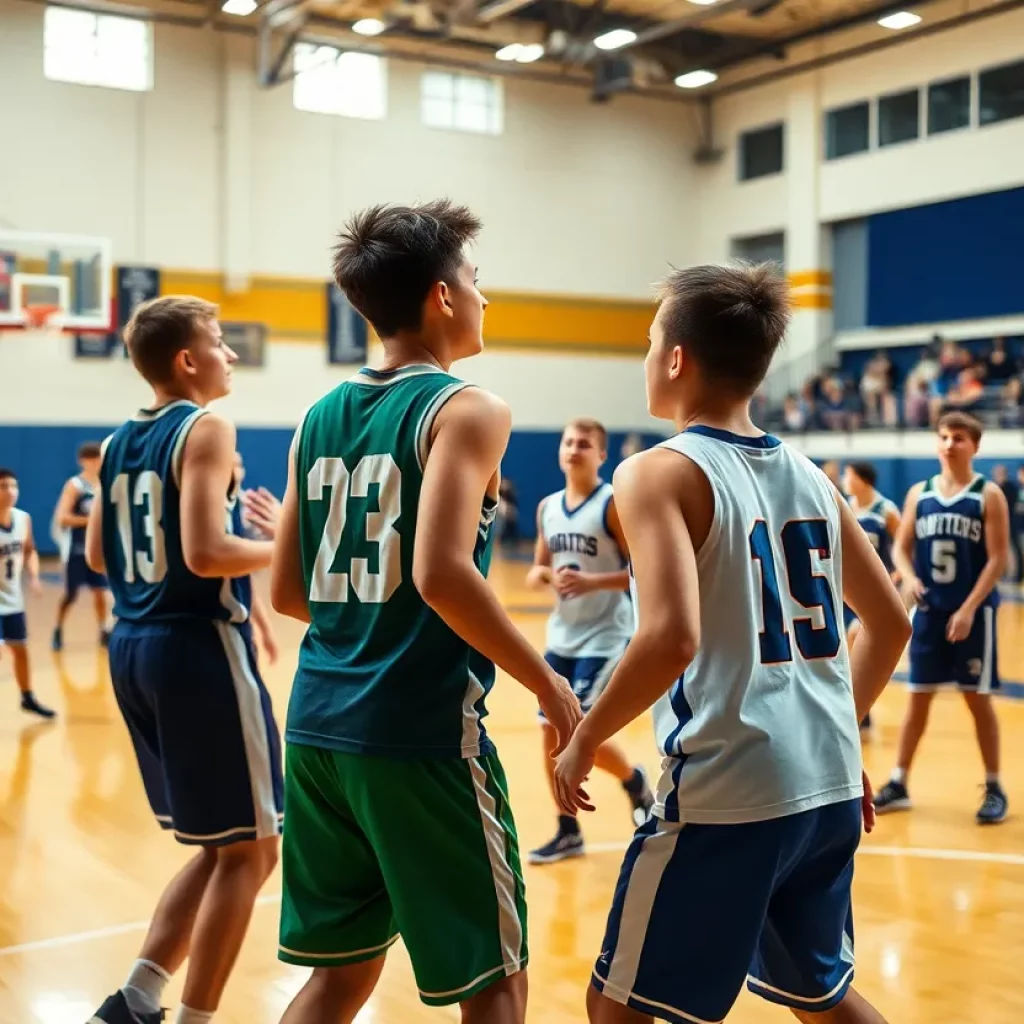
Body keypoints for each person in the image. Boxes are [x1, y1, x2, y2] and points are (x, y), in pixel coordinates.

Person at [553, 262, 911, 1024]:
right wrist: (840, 741)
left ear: (676, 358)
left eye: (651, 342)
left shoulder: (653, 472)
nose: (648, 357)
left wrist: (585, 737)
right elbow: (891, 624)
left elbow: (670, 637)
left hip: (729, 789)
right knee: (822, 995)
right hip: (827, 783)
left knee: (615, 1005)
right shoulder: (816, 477)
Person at [268, 201, 582, 1024]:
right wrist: (546, 683)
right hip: (419, 733)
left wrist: (363, 628)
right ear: (442, 297)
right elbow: (442, 573)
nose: (484, 297)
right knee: (495, 982)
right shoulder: (468, 409)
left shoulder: (315, 417)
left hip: (316, 727)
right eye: (476, 280)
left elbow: (284, 592)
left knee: (339, 976)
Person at [85, 296, 283, 1024]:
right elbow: (206, 553)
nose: (230, 354)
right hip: (196, 649)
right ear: (186, 361)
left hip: (132, 645)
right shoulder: (206, 426)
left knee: (220, 849)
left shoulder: (113, 444)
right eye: (222, 342)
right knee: (255, 853)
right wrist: (295, 545)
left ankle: (135, 1001)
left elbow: (98, 553)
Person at [525, 418, 653, 864]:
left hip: (605, 635)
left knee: (573, 732)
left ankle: (631, 782)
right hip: (563, 636)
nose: (574, 448)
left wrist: (593, 582)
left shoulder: (612, 504)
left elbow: (643, 569)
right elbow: (536, 568)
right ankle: (573, 825)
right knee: (550, 734)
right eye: (568, 442)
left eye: (585, 443)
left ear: (602, 455)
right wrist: (549, 578)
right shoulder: (547, 507)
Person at [873, 412, 1009, 825]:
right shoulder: (920, 493)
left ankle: (994, 784)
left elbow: (999, 558)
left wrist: (969, 608)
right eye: (945, 437)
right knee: (918, 697)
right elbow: (900, 548)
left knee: (977, 699)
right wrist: (910, 576)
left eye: (960, 438)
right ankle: (898, 781)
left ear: (975, 446)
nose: (950, 444)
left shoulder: (988, 495)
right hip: (931, 614)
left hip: (973, 615)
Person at [841, 461, 901, 734]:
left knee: (857, 637)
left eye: (849, 475)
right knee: (843, 650)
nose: (844, 479)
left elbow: (904, 550)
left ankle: (859, 709)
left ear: (863, 480)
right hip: (844, 592)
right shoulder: (844, 506)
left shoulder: (886, 510)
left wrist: (896, 578)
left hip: (875, 590)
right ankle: (856, 711)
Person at [0, 468, 55, 719]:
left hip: (12, 598)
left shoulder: (23, 518)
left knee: (20, 649)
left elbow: (30, 550)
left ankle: (27, 697)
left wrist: (33, 576)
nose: (10, 491)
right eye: (3, 486)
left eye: (13, 486)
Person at [51, 441, 111, 651]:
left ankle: (104, 629)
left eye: (98, 459)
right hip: (76, 549)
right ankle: (58, 628)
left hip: (98, 549)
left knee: (101, 592)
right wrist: (92, 521)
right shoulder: (75, 485)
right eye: (90, 459)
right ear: (82, 462)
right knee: (71, 595)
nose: (95, 463)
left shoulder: (105, 483)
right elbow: (63, 517)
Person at [991, 465, 1020, 583]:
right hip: (998, 524)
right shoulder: (995, 488)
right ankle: (1002, 573)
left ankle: (1017, 574)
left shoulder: (1009, 488)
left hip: (1010, 522)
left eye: (999, 473)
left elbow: (1009, 505)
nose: (996, 475)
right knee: (1000, 550)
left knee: (1013, 549)